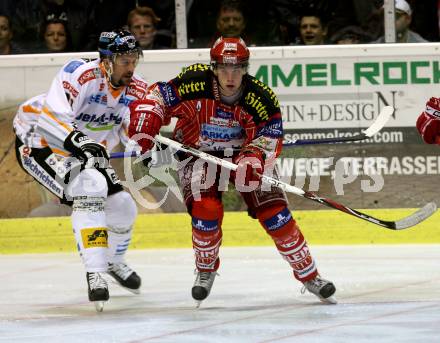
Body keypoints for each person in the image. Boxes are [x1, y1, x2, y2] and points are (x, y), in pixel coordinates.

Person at [128, 37, 337, 306]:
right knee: (207, 210)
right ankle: (205, 269)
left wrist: (253, 158)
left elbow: (270, 135)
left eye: (237, 69)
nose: (231, 76)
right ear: (213, 68)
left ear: (245, 69)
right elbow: (157, 96)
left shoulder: (260, 97)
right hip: (197, 154)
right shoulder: (193, 82)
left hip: (244, 156)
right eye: (224, 69)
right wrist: (149, 117)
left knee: (276, 214)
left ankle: (310, 276)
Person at [12, 29, 148, 311]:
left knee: (123, 206)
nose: (131, 67)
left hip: (84, 151)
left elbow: (130, 130)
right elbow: (52, 118)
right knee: (91, 190)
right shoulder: (79, 73)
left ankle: (113, 261)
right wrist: (81, 141)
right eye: (125, 60)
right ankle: (95, 271)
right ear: (107, 61)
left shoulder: (136, 88)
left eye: (134, 60)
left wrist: (147, 144)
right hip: (39, 142)